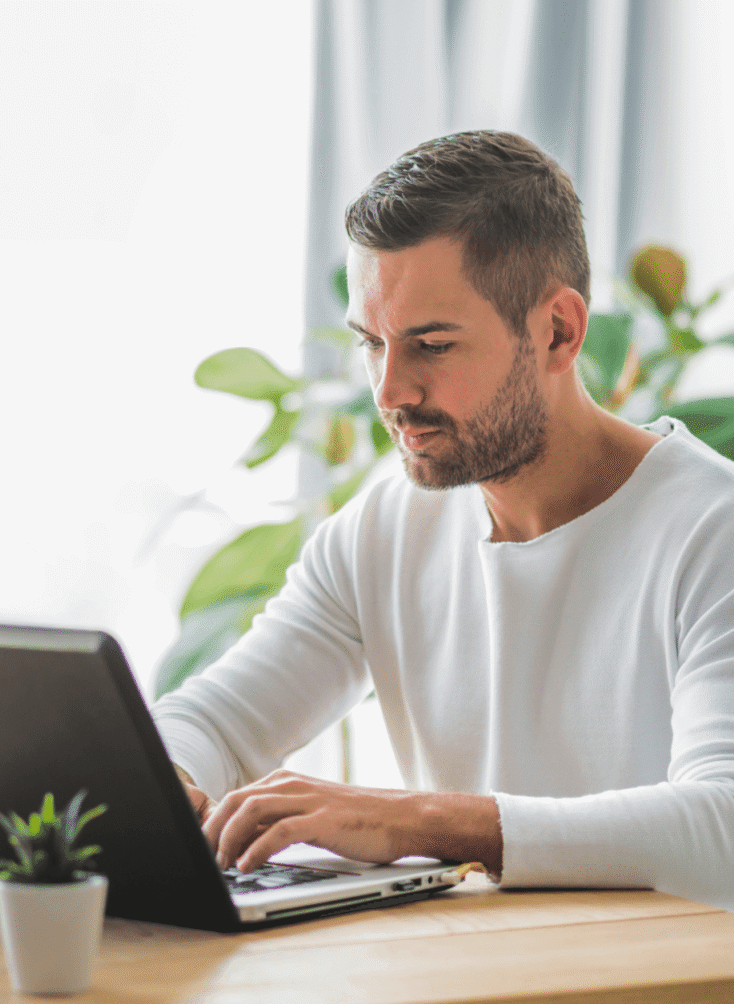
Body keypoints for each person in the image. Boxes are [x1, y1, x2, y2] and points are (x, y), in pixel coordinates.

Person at [152, 130, 734, 910]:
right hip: (463, 980)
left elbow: (723, 832)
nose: (388, 391)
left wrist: (418, 820)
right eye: (371, 344)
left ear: (557, 331)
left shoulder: (712, 532)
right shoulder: (379, 534)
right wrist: (169, 789)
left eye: (430, 344)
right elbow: (211, 722)